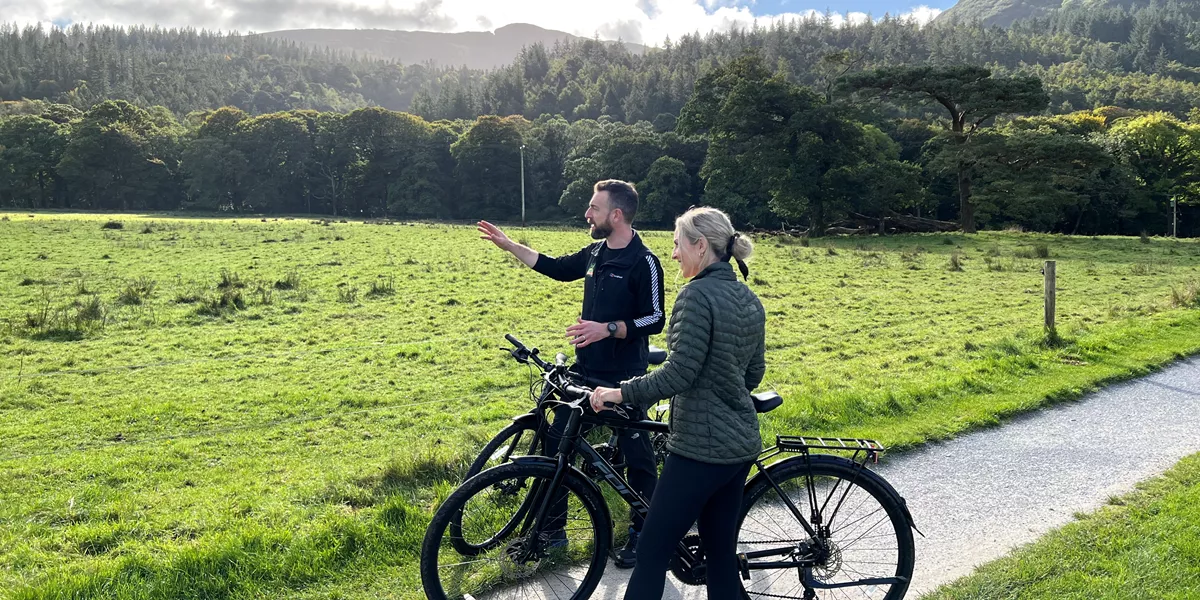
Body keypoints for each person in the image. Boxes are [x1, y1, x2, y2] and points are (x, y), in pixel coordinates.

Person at [477, 179, 665, 568]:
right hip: (585, 372)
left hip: (626, 377)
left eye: (594, 208)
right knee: (555, 444)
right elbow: (557, 268)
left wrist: (607, 328)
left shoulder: (644, 261)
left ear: (616, 214)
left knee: (638, 457)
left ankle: (644, 531)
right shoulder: (595, 252)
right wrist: (510, 246)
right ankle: (552, 532)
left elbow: (655, 318)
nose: (587, 214)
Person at [590, 206, 766, 599]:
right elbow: (752, 375)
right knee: (720, 557)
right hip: (738, 447)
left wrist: (619, 392)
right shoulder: (749, 299)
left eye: (676, 245)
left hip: (700, 450)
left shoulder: (695, 296)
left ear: (700, 246)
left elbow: (678, 374)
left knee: (653, 549)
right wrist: (719, 383)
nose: (672, 255)